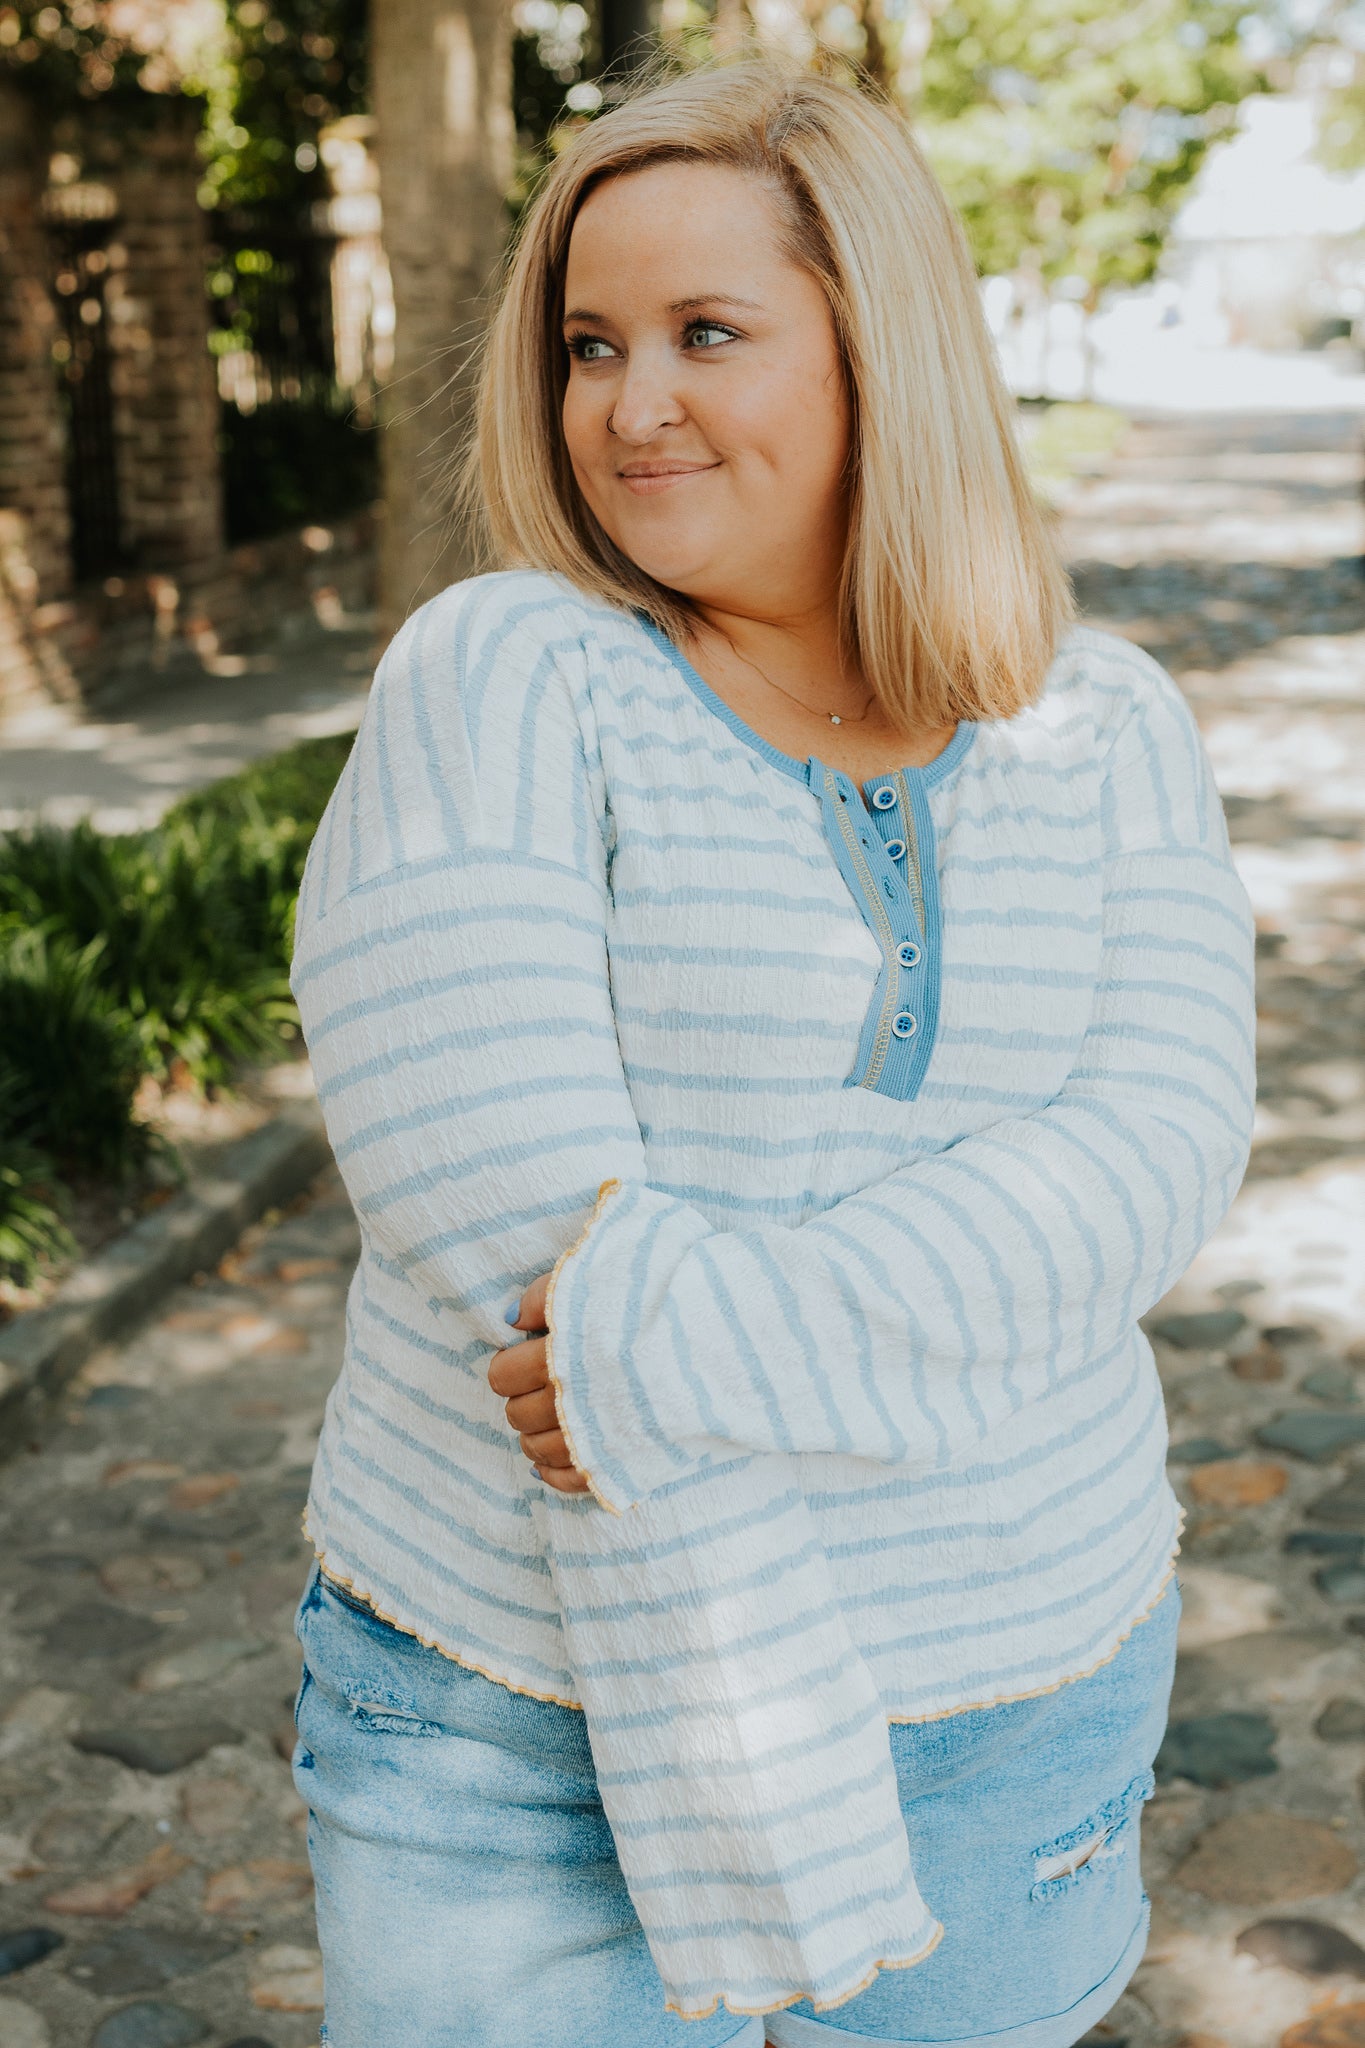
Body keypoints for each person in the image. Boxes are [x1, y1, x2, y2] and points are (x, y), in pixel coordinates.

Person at [287, 60, 1256, 2048]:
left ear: (874, 351)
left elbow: (1148, 1150)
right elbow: (505, 1214)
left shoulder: (1104, 725)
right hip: (519, 1732)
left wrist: (677, 1343)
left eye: (702, 333)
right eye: (586, 344)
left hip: (1011, 1700)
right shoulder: (506, 673)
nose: (626, 402)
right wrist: (707, 1344)